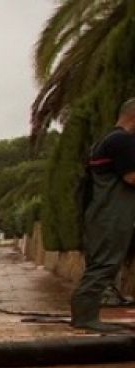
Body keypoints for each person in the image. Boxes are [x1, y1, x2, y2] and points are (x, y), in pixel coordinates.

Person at [68, 98, 135, 333]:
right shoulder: (121, 140)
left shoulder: (106, 140)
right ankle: (85, 317)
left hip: (103, 213)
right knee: (104, 264)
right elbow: (131, 177)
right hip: (110, 214)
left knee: (103, 263)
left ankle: (85, 314)